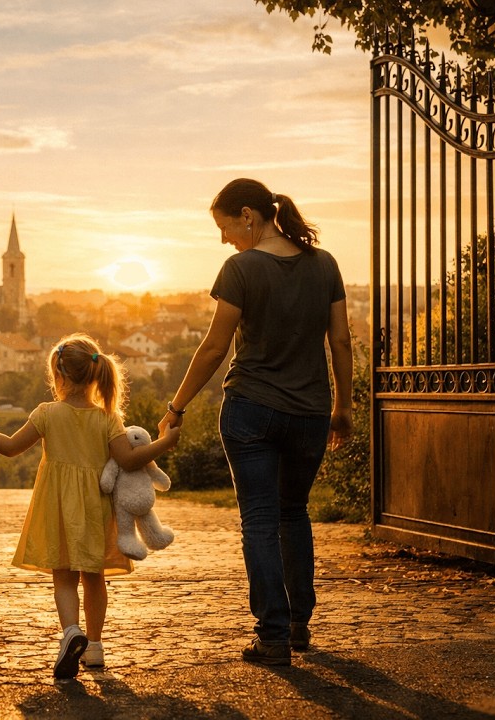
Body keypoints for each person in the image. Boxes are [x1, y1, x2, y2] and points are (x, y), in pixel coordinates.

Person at [157, 178, 353, 667]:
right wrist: (343, 407)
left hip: (252, 410)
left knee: (261, 520)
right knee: (294, 513)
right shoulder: (324, 264)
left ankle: (273, 637)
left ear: (248, 216)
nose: (224, 239)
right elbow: (342, 342)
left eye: (224, 227)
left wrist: (176, 407)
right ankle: (300, 625)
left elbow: (214, 348)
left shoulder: (241, 269)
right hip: (310, 412)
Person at [0, 333, 180, 679]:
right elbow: (130, 459)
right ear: (96, 376)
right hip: (96, 509)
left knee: (64, 578)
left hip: (58, 508)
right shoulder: (108, 417)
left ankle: (70, 633)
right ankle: (94, 647)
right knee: (94, 578)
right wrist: (165, 443)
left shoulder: (47, 413)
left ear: (58, 375)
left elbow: (10, 447)